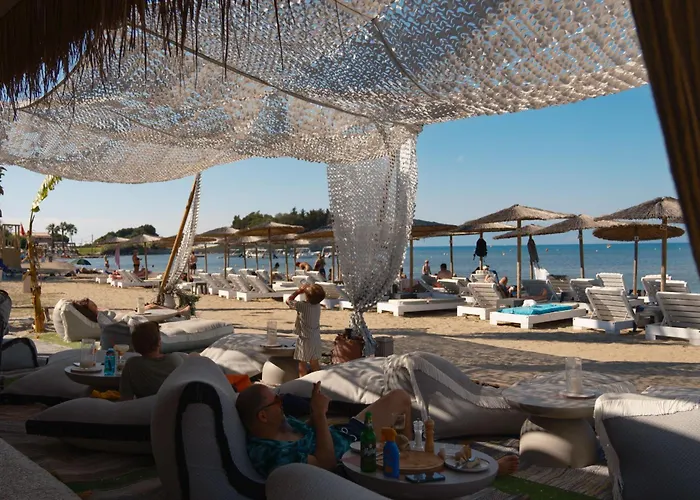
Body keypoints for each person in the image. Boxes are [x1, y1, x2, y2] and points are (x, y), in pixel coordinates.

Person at [237, 383, 519, 478]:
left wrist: (315, 412)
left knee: (399, 398)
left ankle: (411, 458)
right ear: (262, 415)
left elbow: (312, 429)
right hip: (351, 458)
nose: (282, 404)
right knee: (397, 451)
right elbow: (326, 463)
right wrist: (320, 415)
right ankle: (420, 470)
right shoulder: (270, 453)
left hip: (347, 433)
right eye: (276, 401)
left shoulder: (282, 424)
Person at [119, 322, 190, 400]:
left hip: (146, 406)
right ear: (159, 342)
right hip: (171, 405)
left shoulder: (132, 365)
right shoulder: (174, 359)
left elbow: (125, 398)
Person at [286, 284, 326, 377]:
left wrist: (298, 291)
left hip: (305, 339)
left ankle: (303, 380)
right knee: (314, 363)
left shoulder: (302, 306)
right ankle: (318, 380)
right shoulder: (317, 306)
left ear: (307, 296)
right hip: (316, 338)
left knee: (302, 364)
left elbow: (288, 301)